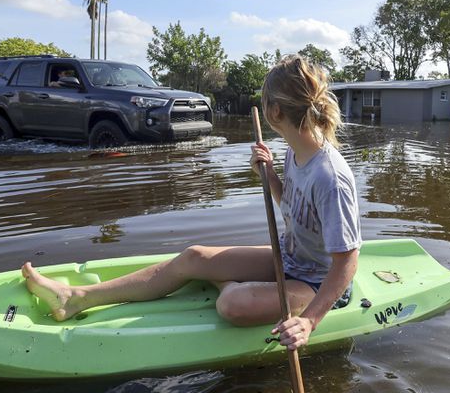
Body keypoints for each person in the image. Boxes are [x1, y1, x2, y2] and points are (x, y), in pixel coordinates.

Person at [21, 55, 361, 350]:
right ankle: (77, 298)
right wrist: (269, 174)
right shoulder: (293, 152)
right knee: (194, 256)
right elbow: (295, 209)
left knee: (232, 303)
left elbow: (346, 262)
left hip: (316, 282)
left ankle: (240, 287)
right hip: (288, 259)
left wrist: (310, 322)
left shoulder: (330, 177)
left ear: (273, 111)